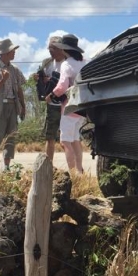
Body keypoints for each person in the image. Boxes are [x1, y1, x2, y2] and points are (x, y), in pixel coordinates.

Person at [45, 34, 87, 173]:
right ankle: (79, 172)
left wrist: (51, 95)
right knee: (75, 140)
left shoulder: (66, 64)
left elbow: (62, 86)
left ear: (64, 49)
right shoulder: (84, 62)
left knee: (65, 141)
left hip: (70, 107)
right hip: (82, 107)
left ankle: (73, 172)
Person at [0, 38, 26, 171]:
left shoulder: (14, 69)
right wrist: (3, 80)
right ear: (5, 53)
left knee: (11, 137)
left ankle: (6, 167)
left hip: (12, 106)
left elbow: (19, 89)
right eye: (12, 50)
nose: (14, 53)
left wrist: (23, 106)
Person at [32, 37, 68, 160]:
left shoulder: (68, 62)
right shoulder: (46, 63)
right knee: (50, 137)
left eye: (52, 48)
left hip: (67, 105)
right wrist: (39, 80)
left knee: (67, 139)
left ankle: (75, 169)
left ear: (61, 48)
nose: (50, 51)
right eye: (49, 48)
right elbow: (42, 83)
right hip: (51, 105)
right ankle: (48, 167)